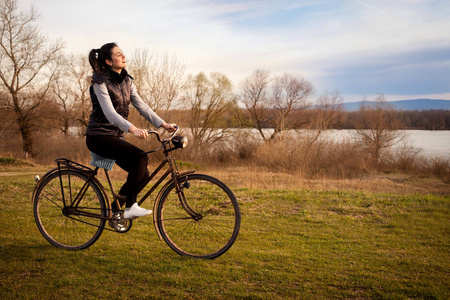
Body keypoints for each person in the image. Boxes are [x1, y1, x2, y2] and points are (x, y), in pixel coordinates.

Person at [86, 42, 176, 219]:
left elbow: (142, 106)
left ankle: (115, 212)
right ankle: (130, 207)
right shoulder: (100, 82)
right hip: (98, 136)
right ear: (109, 61)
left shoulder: (126, 81)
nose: (123, 56)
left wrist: (163, 124)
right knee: (141, 157)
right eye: (118, 54)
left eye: (122, 53)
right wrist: (132, 129)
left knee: (143, 174)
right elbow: (110, 114)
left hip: (114, 136)